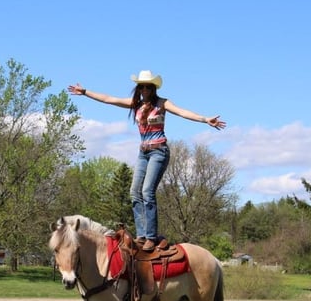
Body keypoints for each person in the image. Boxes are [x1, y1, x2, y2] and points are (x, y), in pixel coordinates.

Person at [68, 70, 226, 251]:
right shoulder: (135, 105)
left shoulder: (162, 103)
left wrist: (205, 119)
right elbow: (108, 99)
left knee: (147, 191)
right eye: (141, 86)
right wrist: (85, 92)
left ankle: (151, 236)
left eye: (147, 86)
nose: (144, 89)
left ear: (153, 88)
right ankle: (141, 235)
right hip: (143, 152)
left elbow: (182, 112)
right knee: (134, 191)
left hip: (159, 151)